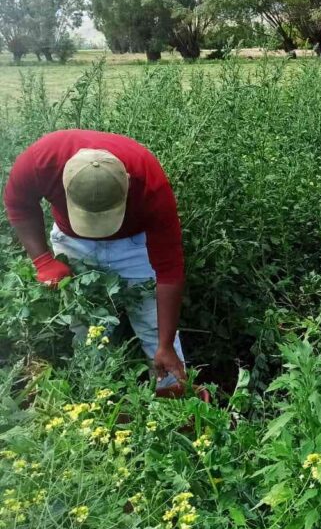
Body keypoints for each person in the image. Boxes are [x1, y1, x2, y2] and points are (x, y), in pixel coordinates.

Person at [3, 130, 188, 390]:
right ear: (65, 183)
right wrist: (43, 261)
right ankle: (99, 402)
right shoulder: (41, 160)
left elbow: (169, 268)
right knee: (89, 330)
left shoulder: (148, 180)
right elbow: (18, 204)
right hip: (73, 243)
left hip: (134, 245)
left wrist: (165, 344)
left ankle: (176, 405)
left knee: (153, 327)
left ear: (127, 183)